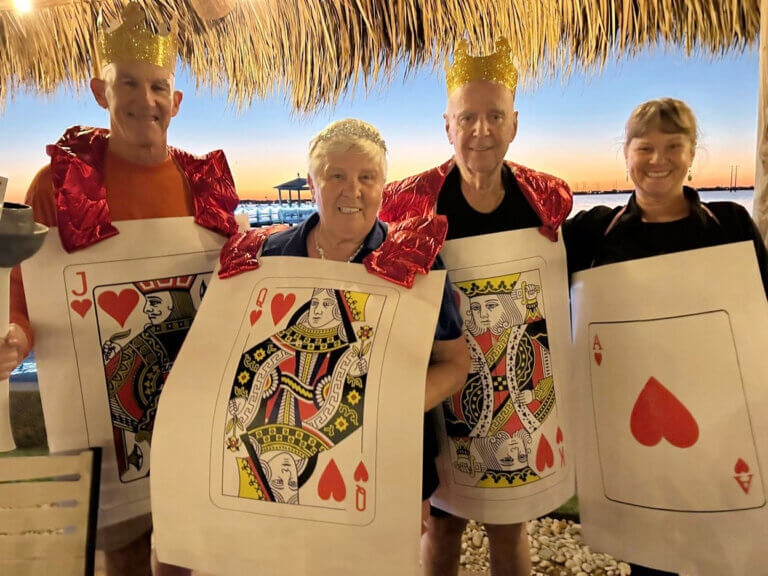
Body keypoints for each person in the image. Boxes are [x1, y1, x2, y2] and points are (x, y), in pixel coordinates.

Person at [1, 4, 238, 575]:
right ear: (98, 90)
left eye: (158, 86)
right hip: (104, 431)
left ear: (176, 101)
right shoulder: (59, 184)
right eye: (127, 82)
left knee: (187, 554)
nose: (145, 99)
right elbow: (26, 299)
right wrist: (14, 339)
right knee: (127, 557)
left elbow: (237, 290)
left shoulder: (205, 183)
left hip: (195, 419)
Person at [379, 38, 572, 576]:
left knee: (509, 527)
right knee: (442, 526)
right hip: (442, 393)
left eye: (495, 116)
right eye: (468, 117)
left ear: (514, 123)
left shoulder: (545, 199)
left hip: (518, 396)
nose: (481, 130)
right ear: (447, 125)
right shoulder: (412, 202)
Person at [219, 118, 470, 527]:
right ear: (311, 182)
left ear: (383, 186)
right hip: (285, 464)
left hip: (393, 457)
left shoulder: (413, 261)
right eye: (336, 175)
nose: (352, 190)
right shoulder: (269, 259)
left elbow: (455, 363)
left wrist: (393, 406)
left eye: (366, 177)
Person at [563, 97, 768, 576]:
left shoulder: (731, 226)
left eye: (673, 145)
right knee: (650, 559)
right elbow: (528, 274)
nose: (659, 160)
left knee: (727, 553)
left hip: (723, 428)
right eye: (645, 147)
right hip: (632, 436)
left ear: (693, 152)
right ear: (627, 154)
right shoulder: (595, 233)